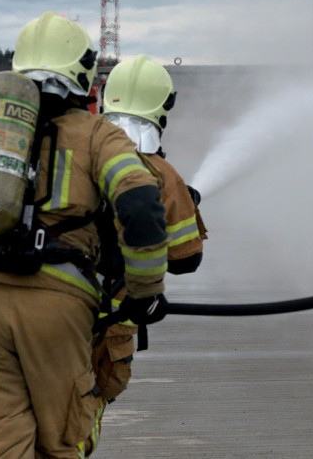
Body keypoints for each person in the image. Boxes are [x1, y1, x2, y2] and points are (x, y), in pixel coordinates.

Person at [0, 12, 169, 458]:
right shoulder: (99, 136)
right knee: (63, 439)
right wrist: (144, 291)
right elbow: (140, 205)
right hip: (56, 304)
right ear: (83, 73)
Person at [85, 54, 206, 452]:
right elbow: (186, 261)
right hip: (110, 318)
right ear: (161, 108)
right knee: (79, 415)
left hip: (43, 306)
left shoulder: (76, 150)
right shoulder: (161, 174)